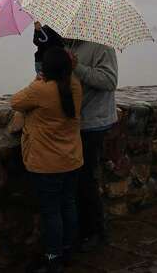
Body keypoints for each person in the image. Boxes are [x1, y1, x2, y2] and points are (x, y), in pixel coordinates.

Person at [11, 46, 83, 273]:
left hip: (46, 163)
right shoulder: (75, 85)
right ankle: (69, 250)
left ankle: (53, 258)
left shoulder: (41, 89)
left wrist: (37, 80)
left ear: (47, 68)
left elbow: (15, 102)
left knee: (52, 212)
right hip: (71, 159)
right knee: (68, 204)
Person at [67, 39, 118, 250]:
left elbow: (109, 80)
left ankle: (97, 233)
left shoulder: (102, 45)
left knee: (86, 179)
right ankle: (83, 230)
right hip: (77, 121)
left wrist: (76, 67)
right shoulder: (70, 44)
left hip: (94, 122)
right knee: (77, 180)